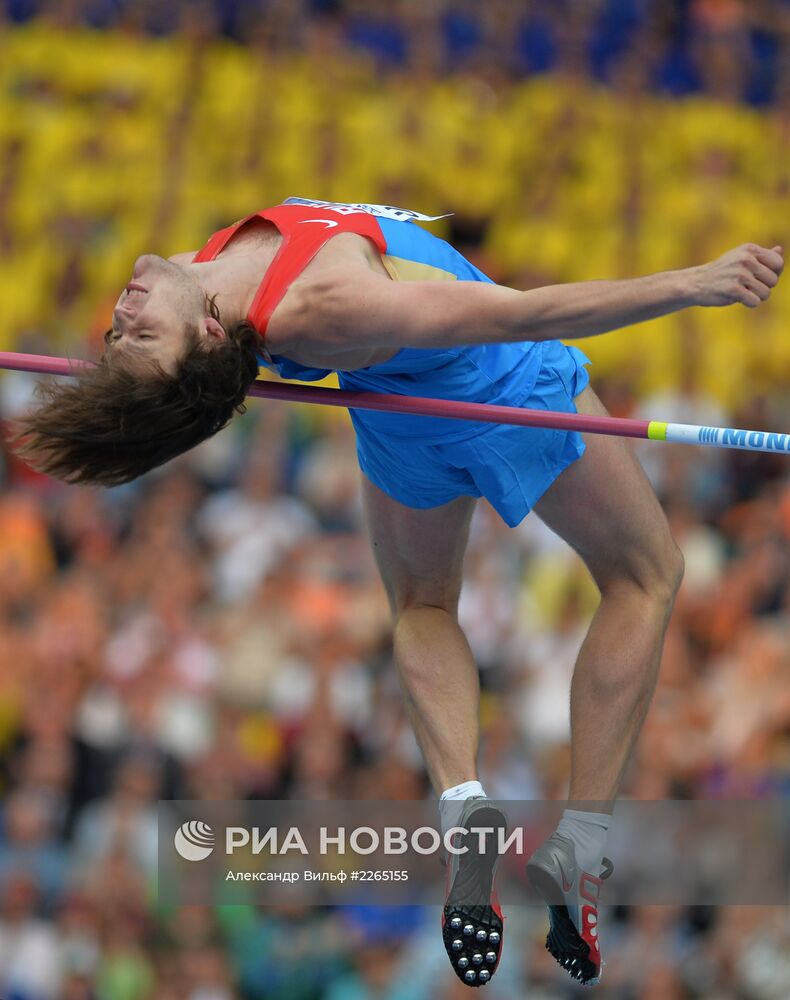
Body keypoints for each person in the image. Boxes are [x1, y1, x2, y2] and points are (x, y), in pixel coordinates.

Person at [16, 197, 784, 987]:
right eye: (139, 332)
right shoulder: (326, 302)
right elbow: (527, 314)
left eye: (120, 332)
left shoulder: (206, 275)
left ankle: (465, 808)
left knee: (422, 605)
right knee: (646, 575)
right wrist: (696, 283)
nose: (121, 311)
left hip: (397, 420)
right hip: (496, 388)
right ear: (208, 333)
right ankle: (580, 848)